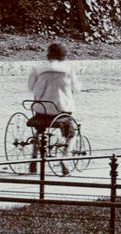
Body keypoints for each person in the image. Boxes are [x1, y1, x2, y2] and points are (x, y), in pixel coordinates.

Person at [26, 41, 80, 173]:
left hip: (41, 109)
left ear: (48, 54)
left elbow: (30, 87)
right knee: (72, 133)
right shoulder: (68, 70)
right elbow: (76, 88)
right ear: (64, 56)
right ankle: (65, 158)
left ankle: (34, 158)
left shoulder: (38, 69)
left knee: (39, 131)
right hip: (61, 110)